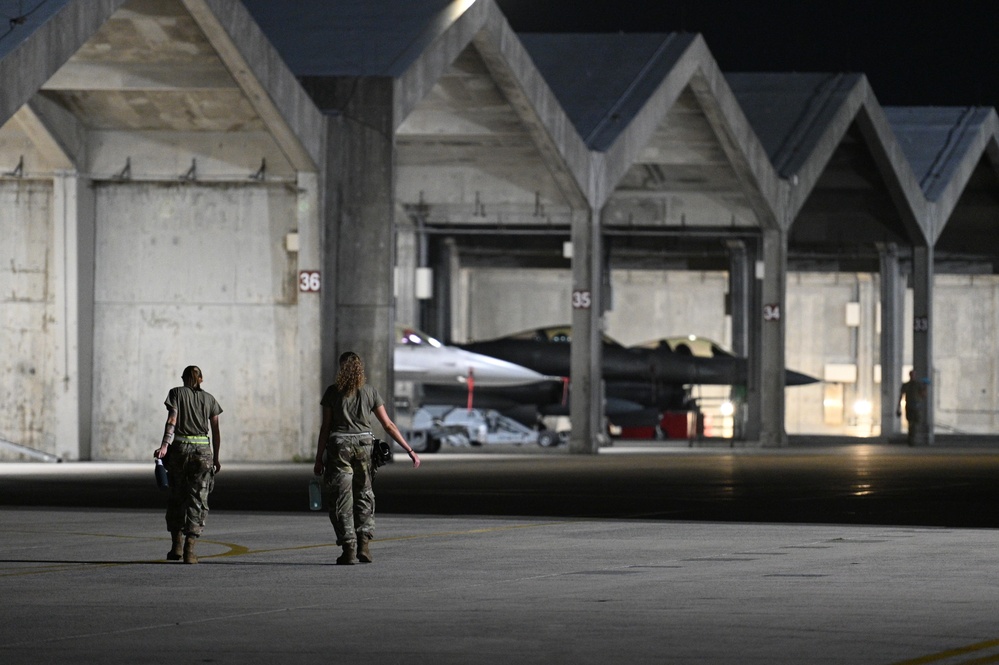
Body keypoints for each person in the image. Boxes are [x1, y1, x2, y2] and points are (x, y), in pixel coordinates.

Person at [314, 351, 420, 565]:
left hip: (339, 449)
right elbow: (388, 425)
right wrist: (409, 450)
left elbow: (325, 427)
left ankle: (349, 548)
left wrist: (318, 458)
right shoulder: (370, 392)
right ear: (360, 368)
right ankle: (364, 544)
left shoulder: (333, 392)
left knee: (341, 499)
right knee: (364, 494)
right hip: (365, 448)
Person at [154, 365, 222, 564]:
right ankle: (190, 550)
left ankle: (176, 545)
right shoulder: (210, 399)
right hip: (203, 453)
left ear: (183, 378)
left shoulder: (176, 393)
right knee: (198, 499)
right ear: (201, 379)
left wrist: (164, 446)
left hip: (180, 449)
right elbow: (216, 431)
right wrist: (216, 458)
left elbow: (171, 421)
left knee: (177, 496)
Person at [897, 370, 927, 446]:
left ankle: (912, 438)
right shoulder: (906, 385)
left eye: (913, 375)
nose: (912, 376)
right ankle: (911, 439)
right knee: (911, 423)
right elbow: (901, 396)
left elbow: (923, 395)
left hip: (916, 406)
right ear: (910, 375)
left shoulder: (918, 385)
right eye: (911, 375)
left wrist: (924, 388)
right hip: (909, 406)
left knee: (916, 422)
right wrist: (898, 407)